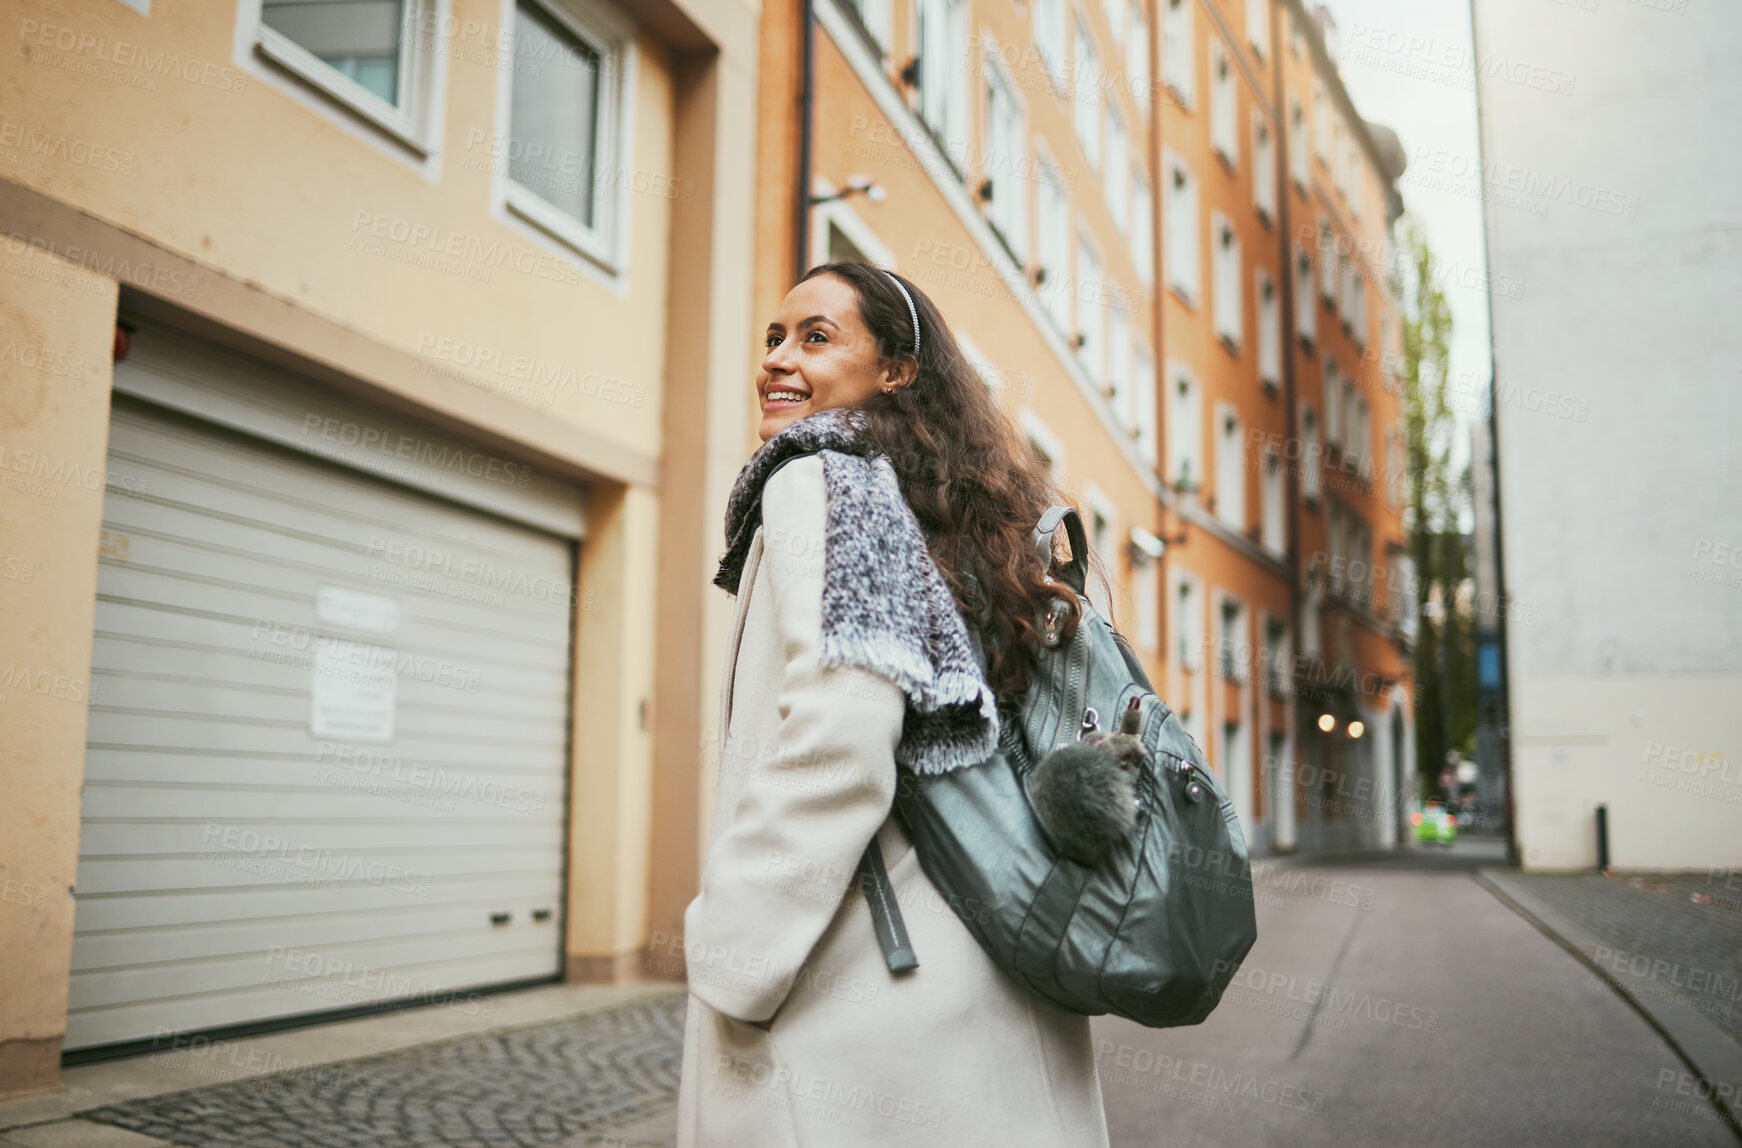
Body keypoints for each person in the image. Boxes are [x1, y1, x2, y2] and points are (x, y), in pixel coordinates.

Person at [672, 262, 1111, 1147]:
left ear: (898, 370)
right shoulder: (945, 512)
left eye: (817, 337)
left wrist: (736, 953)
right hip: (984, 964)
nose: (778, 359)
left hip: (858, 995)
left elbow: (842, 727)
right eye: (773, 337)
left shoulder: (821, 480)